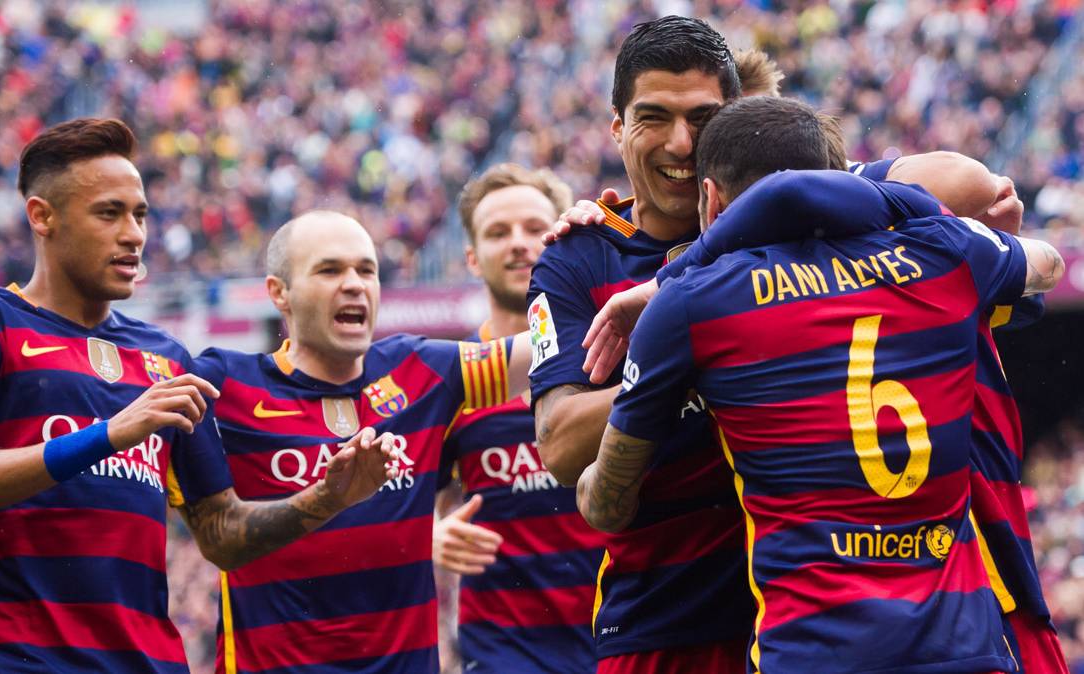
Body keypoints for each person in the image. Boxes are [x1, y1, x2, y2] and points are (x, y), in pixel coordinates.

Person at [577, 95, 1065, 672]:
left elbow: (606, 504)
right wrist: (888, 199)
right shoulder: (944, 253)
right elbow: (1049, 264)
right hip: (963, 646)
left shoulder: (690, 304)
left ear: (710, 199)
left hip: (812, 650)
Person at [0, 118, 399, 672]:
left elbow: (221, 534)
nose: (134, 234)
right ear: (42, 217)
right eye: (109, 213)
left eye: (139, 214)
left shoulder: (166, 357)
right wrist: (112, 434)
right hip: (24, 660)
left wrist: (325, 499)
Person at [188, 210, 533, 673]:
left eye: (366, 270)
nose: (354, 284)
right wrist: (329, 498)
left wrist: (599, 258)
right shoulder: (225, 385)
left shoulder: (423, 370)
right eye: (330, 270)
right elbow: (218, 538)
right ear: (279, 292)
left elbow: (554, 347)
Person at [527, 16, 755, 673]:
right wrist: (707, 350)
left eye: (704, 117)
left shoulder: (797, 217)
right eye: (654, 117)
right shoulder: (575, 261)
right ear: (617, 126)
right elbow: (563, 443)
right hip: (664, 624)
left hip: (813, 604)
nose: (683, 144)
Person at [433, 163, 605, 673]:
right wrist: (431, 535)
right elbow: (401, 504)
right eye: (497, 233)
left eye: (535, 228)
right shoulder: (452, 384)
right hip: (504, 656)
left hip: (621, 642)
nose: (518, 244)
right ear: (471, 257)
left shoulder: (606, 355)